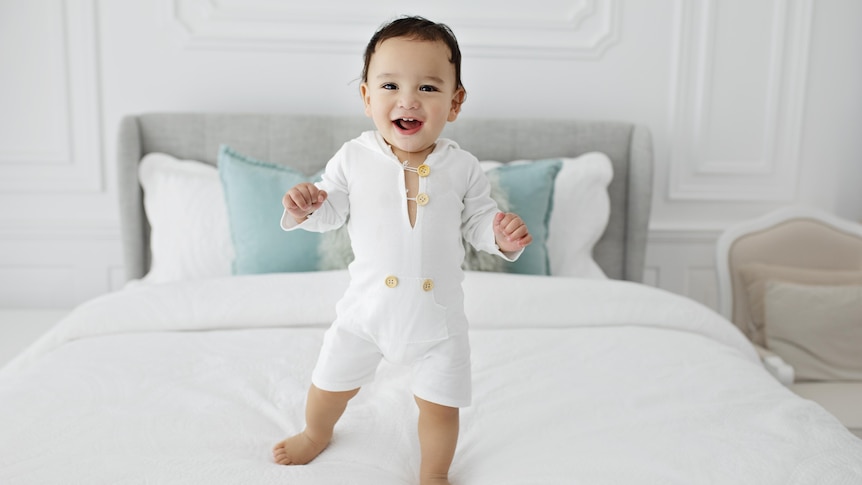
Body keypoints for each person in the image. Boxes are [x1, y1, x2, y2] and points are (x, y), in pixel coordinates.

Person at [272, 16, 532, 485]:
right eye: (390, 84)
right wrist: (308, 206)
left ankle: (433, 473)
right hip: (366, 315)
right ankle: (315, 433)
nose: (408, 100)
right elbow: (331, 210)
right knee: (329, 385)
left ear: (455, 103)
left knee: (440, 406)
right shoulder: (353, 158)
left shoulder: (463, 167)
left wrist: (499, 236)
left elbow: (476, 223)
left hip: (438, 321)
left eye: (428, 89)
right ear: (367, 97)